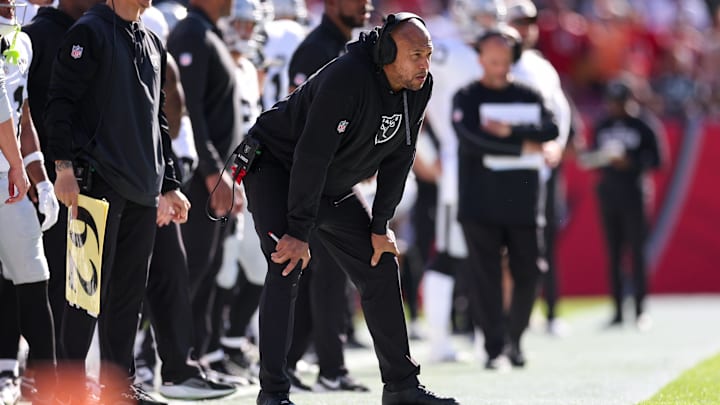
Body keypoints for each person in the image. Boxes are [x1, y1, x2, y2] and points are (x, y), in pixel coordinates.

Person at [243, 12, 459, 405]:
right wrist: (299, 231)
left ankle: (401, 387)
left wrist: (380, 225)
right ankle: (272, 394)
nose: (424, 65)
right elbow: (310, 155)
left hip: (330, 181)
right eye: (415, 55)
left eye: (427, 54)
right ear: (388, 53)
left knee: (380, 263)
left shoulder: (418, 86)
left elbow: (401, 157)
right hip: (278, 168)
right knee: (286, 264)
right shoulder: (347, 77)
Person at [44, 0, 191, 402]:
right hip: (96, 187)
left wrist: (170, 183)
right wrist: (63, 166)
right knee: (83, 296)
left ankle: (119, 388)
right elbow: (59, 103)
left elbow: (157, 120)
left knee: (128, 298)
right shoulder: (87, 33)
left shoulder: (152, 42)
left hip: (143, 190)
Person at [452, 26, 558, 370]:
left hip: (524, 200)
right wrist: (523, 146)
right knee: (484, 277)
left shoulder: (528, 93)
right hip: (479, 201)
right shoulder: (466, 96)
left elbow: (551, 128)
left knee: (529, 271)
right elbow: (471, 139)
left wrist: (511, 132)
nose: (500, 67)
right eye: (493, 59)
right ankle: (494, 347)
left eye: (505, 59)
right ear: (481, 59)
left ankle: (515, 337)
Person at [283, 0, 373, 392]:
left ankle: (295, 363)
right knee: (327, 274)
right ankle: (328, 367)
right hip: (311, 178)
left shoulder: (343, 47)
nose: (366, 5)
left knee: (321, 275)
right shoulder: (316, 50)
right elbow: (306, 124)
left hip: (331, 176)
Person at [421, 0, 503, 364]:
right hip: (461, 165)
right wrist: (423, 148)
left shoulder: (491, 54)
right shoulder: (446, 52)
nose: (491, 23)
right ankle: (439, 339)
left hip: (496, 165)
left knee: (488, 254)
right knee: (451, 254)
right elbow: (406, 91)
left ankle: (490, 337)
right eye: (484, 16)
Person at [166, 0, 244, 368]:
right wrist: (214, 171)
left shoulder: (206, 33)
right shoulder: (191, 33)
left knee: (206, 268)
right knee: (189, 269)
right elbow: (189, 110)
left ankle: (191, 358)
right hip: (195, 177)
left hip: (212, 176)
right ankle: (162, 359)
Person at [0, 2, 58, 401]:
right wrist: (20, 168)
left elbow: (22, 111)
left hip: (7, 178)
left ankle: (45, 381)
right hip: (8, 175)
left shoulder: (22, 36)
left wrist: (39, 175)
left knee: (32, 274)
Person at [506, 0, 572, 337]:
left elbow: (561, 110)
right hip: (500, 168)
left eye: (530, 22)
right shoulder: (494, 62)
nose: (525, 28)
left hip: (539, 171)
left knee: (541, 244)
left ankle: (548, 311)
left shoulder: (541, 66)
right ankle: (492, 318)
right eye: (519, 21)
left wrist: (557, 144)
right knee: (498, 245)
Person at [587, 78, 663, 330]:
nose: (616, 107)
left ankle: (641, 309)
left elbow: (658, 160)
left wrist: (630, 162)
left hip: (634, 194)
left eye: (620, 102)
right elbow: (590, 158)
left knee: (637, 254)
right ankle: (618, 310)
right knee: (614, 254)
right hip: (608, 195)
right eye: (612, 102)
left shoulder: (643, 124)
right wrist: (603, 159)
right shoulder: (603, 124)